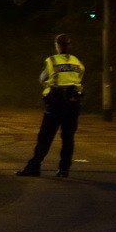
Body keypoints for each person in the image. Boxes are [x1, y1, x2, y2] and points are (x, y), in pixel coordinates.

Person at [17, 34, 85, 178]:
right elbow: (79, 77)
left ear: (57, 45)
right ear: (70, 45)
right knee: (68, 137)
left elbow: (42, 78)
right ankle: (64, 169)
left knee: (45, 137)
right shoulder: (76, 61)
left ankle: (34, 167)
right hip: (73, 103)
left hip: (56, 103)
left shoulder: (52, 60)